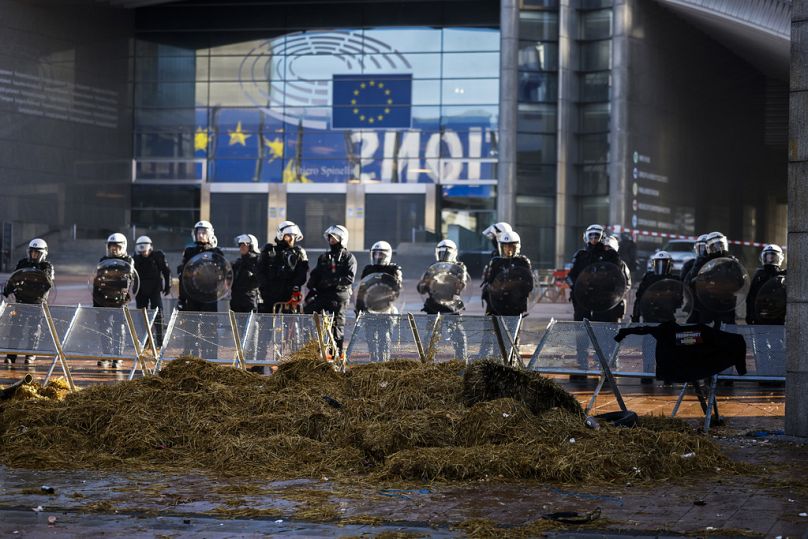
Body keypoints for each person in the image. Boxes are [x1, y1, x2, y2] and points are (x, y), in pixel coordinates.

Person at [303, 225, 357, 359]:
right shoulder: (324, 257)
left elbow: (349, 278)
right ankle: (313, 349)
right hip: (323, 295)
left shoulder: (348, 257)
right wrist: (312, 283)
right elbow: (316, 273)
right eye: (330, 237)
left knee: (336, 326)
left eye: (334, 237)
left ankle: (336, 356)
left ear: (342, 238)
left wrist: (332, 281)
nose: (331, 239)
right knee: (309, 311)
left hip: (339, 296)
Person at [2, 238, 54, 365]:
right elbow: (14, 278)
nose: (33, 255)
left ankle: (30, 354)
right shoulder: (23, 263)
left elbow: (47, 283)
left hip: (37, 303)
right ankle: (11, 355)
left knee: (34, 330)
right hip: (21, 301)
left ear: (43, 253)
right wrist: (7, 291)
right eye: (32, 252)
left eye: (37, 252)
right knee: (15, 329)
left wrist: (30, 278)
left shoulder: (47, 266)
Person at [418, 239, 469, 361]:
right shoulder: (433, 267)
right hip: (434, 307)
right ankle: (428, 363)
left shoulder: (459, 267)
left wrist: (440, 283)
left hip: (451, 306)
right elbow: (421, 288)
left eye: (447, 253)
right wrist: (426, 284)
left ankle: (461, 363)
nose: (444, 255)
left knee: (458, 337)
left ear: (454, 253)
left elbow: (460, 286)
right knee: (430, 337)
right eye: (441, 253)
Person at [631, 250, 677, 383]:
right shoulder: (648, 278)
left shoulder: (674, 279)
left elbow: (679, 299)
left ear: (669, 264)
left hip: (667, 318)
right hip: (650, 317)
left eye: (664, 263)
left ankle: (667, 376)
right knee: (648, 348)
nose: (661, 265)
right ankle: (647, 375)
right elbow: (639, 297)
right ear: (653, 264)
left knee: (667, 349)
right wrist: (636, 315)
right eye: (658, 263)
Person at [355, 241, 403, 362]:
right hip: (369, 308)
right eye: (375, 254)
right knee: (370, 338)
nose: (378, 257)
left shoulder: (393, 270)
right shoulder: (368, 269)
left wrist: (394, 276)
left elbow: (397, 290)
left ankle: (384, 362)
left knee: (384, 338)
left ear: (387, 255)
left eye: (381, 254)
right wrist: (358, 308)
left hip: (386, 309)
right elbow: (362, 288)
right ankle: (373, 361)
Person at [93, 233, 136, 368]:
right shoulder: (103, 259)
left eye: (117, 247)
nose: (114, 249)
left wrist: (111, 280)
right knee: (104, 328)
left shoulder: (128, 260)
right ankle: (107, 355)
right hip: (103, 299)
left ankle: (118, 356)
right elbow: (99, 281)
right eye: (111, 247)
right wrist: (96, 301)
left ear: (123, 247)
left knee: (119, 328)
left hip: (120, 300)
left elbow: (126, 279)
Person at [683, 231, 738, 325]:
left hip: (726, 304)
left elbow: (739, 282)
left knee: (728, 331)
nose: (719, 248)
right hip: (705, 303)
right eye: (714, 246)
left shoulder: (731, 262)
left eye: (720, 244)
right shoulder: (701, 262)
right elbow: (689, 282)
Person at [258, 221, 308, 314]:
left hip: (290, 295)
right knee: (267, 322)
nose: (292, 239)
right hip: (270, 295)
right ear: (281, 235)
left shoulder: (298, 253)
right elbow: (259, 271)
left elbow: (302, 273)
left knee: (290, 323)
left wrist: (295, 286)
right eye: (289, 236)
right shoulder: (269, 251)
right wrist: (266, 287)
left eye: (294, 236)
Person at [177, 220, 224, 312]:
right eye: (198, 232)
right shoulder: (189, 251)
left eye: (203, 233)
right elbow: (183, 275)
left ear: (210, 234)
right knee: (192, 321)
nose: (200, 235)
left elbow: (222, 273)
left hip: (209, 293)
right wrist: (182, 298)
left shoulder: (216, 252)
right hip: (192, 292)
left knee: (209, 321)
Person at [132, 236, 171, 347]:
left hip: (155, 289)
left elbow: (166, 271)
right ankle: (146, 340)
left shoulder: (158, 256)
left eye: (145, 250)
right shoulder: (135, 259)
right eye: (141, 251)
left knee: (158, 313)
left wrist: (168, 285)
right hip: (140, 290)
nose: (144, 253)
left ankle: (160, 340)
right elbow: (130, 274)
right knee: (142, 315)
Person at [591, 234, 631, 323]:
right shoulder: (597, 264)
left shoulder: (621, 265)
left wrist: (616, 293)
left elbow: (627, 284)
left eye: (609, 248)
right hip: (598, 302)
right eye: (605, 248)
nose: (607, 250)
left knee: (613, 330)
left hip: (613, 302)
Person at [746, 244, 786, 325]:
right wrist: (750, 315)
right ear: (764, 257)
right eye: (768, 255)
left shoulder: (783, 275)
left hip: (777, 314)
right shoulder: (759, 274)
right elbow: (751, 297)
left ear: (780, 257)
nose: (770, 257)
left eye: (773, 255)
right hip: (760, 313)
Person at [230, 234, 260, 313]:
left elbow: (259, 279)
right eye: (240, 245)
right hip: (236, 300)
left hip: (250, 300)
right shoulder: (238, 262)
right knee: (236, 324)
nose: (242, 247)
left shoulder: (257, 261)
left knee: (251, 323)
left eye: (245, 245)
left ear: (252, 246)